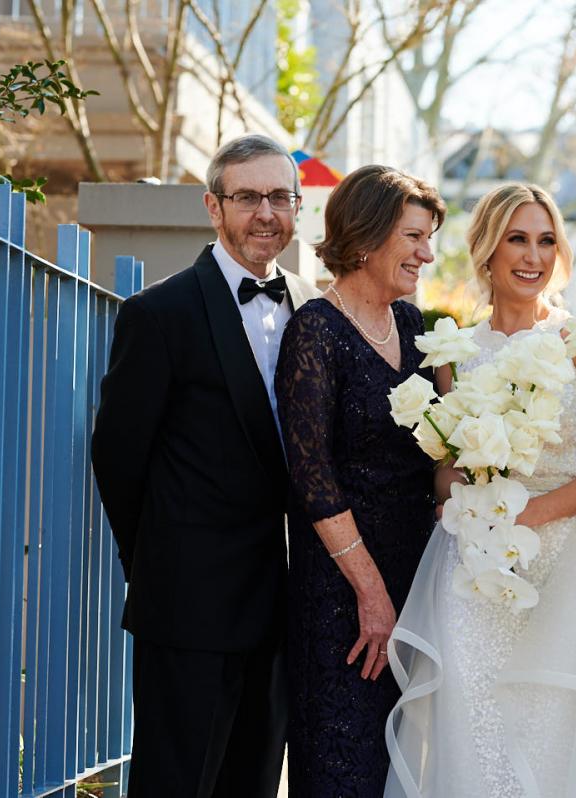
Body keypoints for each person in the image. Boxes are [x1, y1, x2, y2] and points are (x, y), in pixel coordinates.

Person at [385, 183, 576, 798]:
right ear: (488, 250)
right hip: (475, 572)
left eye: (547, 240)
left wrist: (530, 516)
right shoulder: (454, 352)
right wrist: (456, 502)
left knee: (556, 736)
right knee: (475, 732)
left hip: (572, 567)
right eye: (517, 239)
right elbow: (445, 465)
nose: (533, 255)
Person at [91, 133, 320, 797]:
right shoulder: (158, 314)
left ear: (298, 206)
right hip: (188, 606)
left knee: (252, 784)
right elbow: (118, 456)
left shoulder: (315, 308)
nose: (265, 213)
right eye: (247, 197)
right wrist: (162, 563)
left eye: (280, 197)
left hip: (284, 607)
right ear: (213, 208)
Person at [275, 165, 445, 796]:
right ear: (368, 236)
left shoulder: (419, 330)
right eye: (413, 237)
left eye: (429, 238)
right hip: (344, 596)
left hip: (420, 583)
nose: (427, 254)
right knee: (345, 766)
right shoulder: (315, 330)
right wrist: (371, 594)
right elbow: (312, 476)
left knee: (408, 767)